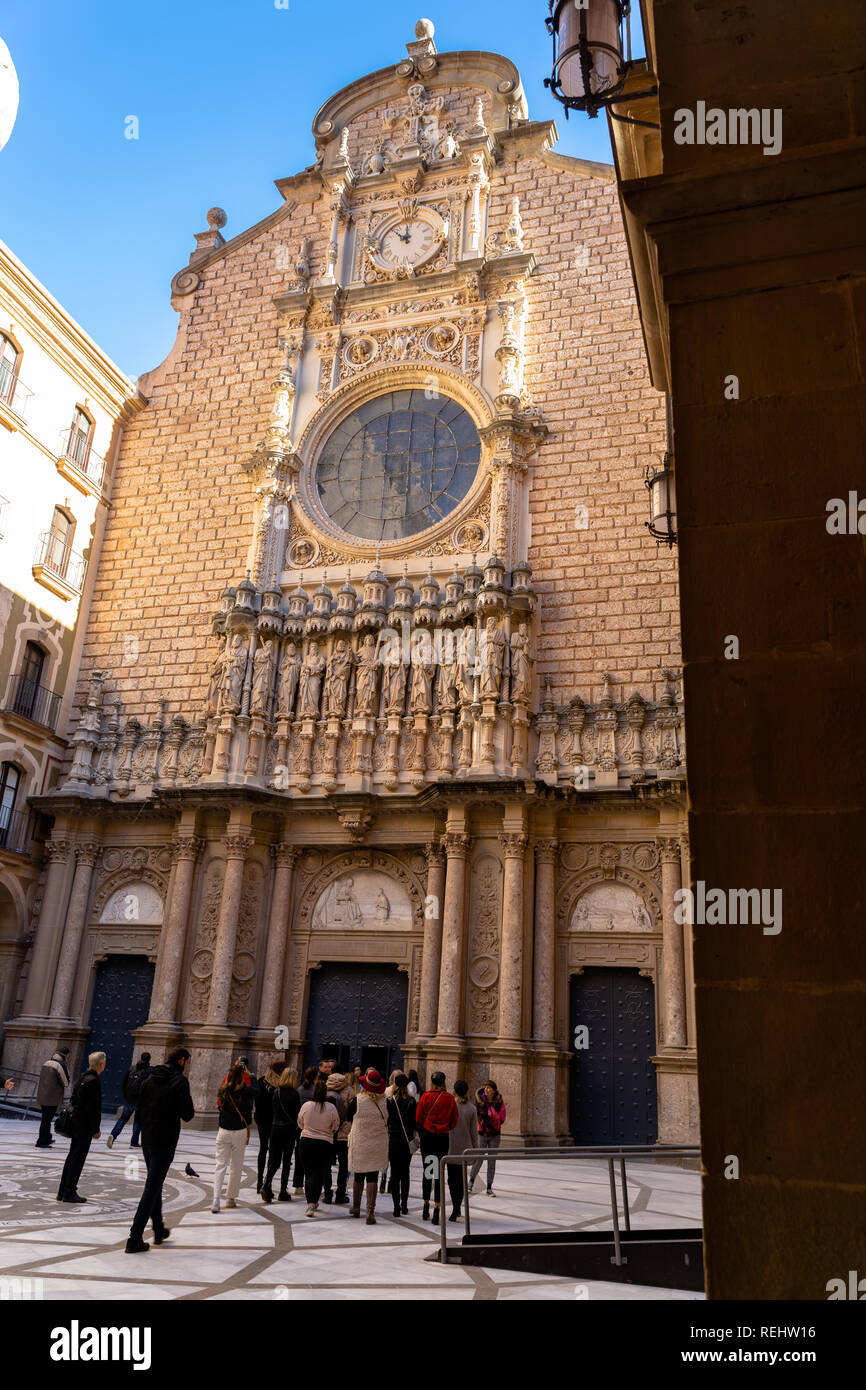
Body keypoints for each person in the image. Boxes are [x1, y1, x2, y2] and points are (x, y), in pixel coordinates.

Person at [125, 1048, 194, 1253]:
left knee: (155, 1184)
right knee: (152, 1187)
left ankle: (158, 1229)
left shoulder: (149, 1079)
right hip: (166, 1140)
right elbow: (188, 1114)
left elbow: (140, 1108)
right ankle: (134, 1238)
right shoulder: (179, 1082)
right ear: (181, 1061)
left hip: (148, 1139)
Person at [57, 1051, 106, 1203]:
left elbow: (74, 1100)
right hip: (84, 1126)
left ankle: (63, 1191)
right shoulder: (93, 1081)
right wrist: (95, 1129)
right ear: (101, 1064)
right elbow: (93, 1108)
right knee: (77, 1159)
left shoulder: (83, 1078)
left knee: (72, 1157)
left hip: (77, 1124)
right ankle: (69, 1192)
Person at [346, 1068, 389, 1225]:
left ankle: (356, 1208)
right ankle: (370, 1212)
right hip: (378, 1143)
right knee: (373, 1176)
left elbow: (347, 1116)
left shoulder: (358, 1100)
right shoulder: (386, 1101)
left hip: (361, 1141)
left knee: (359, 1174)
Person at [415, 1071, 458, 1222]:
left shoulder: (425, 1096)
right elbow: (454, 1121)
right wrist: (444, 1126)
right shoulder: (449, 1098)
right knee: (439, 1173)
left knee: (428, 1172)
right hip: (442, 1138)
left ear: (432, 1082)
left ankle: (426, 1206)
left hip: (427, 1138)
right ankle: (437, 1209)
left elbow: (418, 1118)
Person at [212, 1061, 255, 1213]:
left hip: (223, 1131)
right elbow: (259, 1092)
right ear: (242, 1076)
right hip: (239, 1131)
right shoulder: (246, 1090)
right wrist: (252, 1076)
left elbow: (219, 1106)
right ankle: (230, 1198)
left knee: (220, 1165)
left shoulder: (222, 1090)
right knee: (236, 1166)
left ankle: (216, 1199)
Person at [296, 1077, 340, 1217]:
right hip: (324, 1144)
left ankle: (310, 1204)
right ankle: (314, 1201)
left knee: (309, 1173)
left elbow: (300, 1123)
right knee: (320, 1173)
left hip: (307, 1142)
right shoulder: (331, 1107)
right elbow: (336, 1126)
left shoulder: (306, 1105)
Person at [261, 1066, 300, 1204]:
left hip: (275, 1128)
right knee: (286, 1161)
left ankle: (267, 1184)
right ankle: (283, 1191)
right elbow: (297, 1115)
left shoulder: (276, 1092)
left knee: (274, 1160)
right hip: (288, 1130)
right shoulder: (294, 1094)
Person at [386, 1072, 417, 1217]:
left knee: (394, 1173)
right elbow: (415, 1122)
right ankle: (404, 1205)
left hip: (393, 1140)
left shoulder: (390, 1101)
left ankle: (395, 1207)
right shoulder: (411, 1101)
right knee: (405, 1173)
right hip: (406, 1140)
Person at [447, 1080, 478, 1222]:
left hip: (450, 1148)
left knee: (451, 1179)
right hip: (464, 1149)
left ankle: (456, 1207)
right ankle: (457, 1207)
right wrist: (475, 1150)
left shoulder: (449, 1105)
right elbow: (473, 1133)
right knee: (461, 1179)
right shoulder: (472, 1109)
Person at [107, 1051, 151, 1150]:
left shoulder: (132, 1068)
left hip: (129, 1099)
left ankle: (113, 1135)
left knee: (123, 1119)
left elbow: (124, 1083)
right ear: (149, 1060)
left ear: (140, 1057)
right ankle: (134, 1142)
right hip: (140, 1101)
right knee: (138, 1121)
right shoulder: (148, 1070)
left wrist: (126, 1096)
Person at [469, 1079, 507, 1196]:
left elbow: (503, 1116)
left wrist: (495, 1122)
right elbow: (475, 1115)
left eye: (489, 1087)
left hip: (495, 1135)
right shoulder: (479, 1101)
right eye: (485, 1087)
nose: (486, 1089)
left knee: (492, 1161)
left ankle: (489, 1187)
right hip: (481, 1134)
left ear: (494, 1090)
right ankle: (471, 1182)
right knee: (478, 1159)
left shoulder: (499, 1101)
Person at [254, 1058, 282, 1192]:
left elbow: (257, 1102)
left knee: (262, 1148)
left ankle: (259, 1181)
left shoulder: (260, 1081)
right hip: (273, 1121)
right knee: (273, 1151)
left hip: (261, 1120)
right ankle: (267, 1182)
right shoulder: (279, 1085)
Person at [326, 1071, 353, 1204]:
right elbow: (354, 1111)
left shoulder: (325, 1089)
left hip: (328, 1132)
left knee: (326, 1164)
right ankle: (340, 1194)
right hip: (344, 1134)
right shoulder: (349, 1091)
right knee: (343, 1165)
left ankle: (327, 1193)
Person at [35, 1045, 70, 1148]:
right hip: (52, 1097)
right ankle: (41, 1141)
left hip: (43, 1095)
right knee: (46, 1120)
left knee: (45, 1118)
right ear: (66, 1055)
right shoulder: (60, 1065)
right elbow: (66, 1082)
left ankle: (47, 1137)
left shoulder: (46, 1062)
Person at [291, 1066, 318, 1194]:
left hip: (300, 1127)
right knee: (312, 1159)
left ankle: (297, 1184)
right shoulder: (315, 1091)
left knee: (299, 1155)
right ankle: (310, 1184)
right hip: (313, 1128)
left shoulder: (299, 1090)